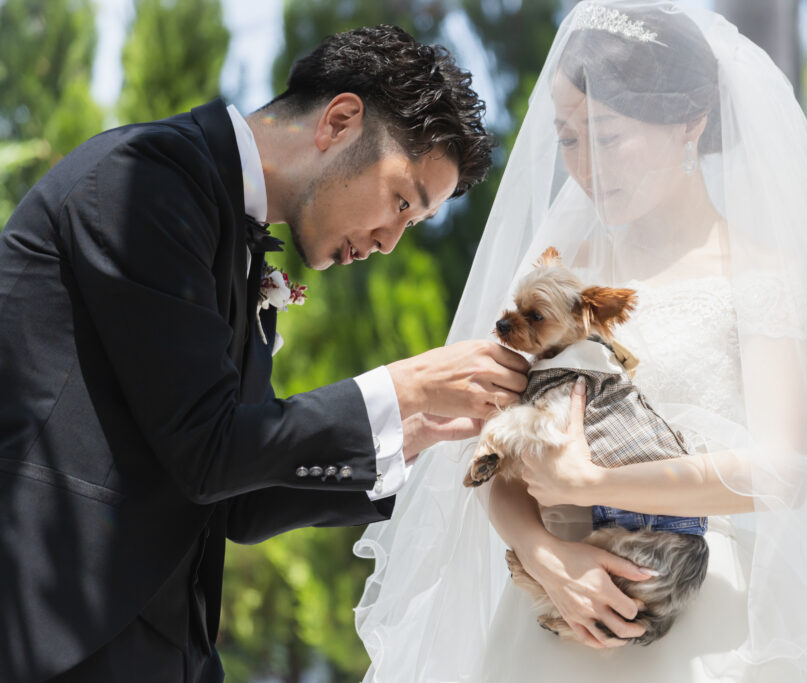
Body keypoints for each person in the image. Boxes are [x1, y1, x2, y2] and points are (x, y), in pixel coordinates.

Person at [354, 3, 807, 682]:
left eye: (608, 138)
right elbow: (497, 455)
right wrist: (547, 557)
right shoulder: (557, 271)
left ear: (689, 124)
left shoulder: (761, 275)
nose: (586, 166)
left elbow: (781, 468)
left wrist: (596, 481)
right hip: (552, 615)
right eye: (567, 138)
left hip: (700, 620)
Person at [0, 24, 530, 682]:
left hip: (173, 656)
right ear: (338, 120)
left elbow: (237, 500)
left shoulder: (241, 240)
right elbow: (208, 450)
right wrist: (406, 386)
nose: (391, 241)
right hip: (55, 635)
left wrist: (411, 437)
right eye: (400, 200)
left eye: (412, 224)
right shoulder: (142, 183)